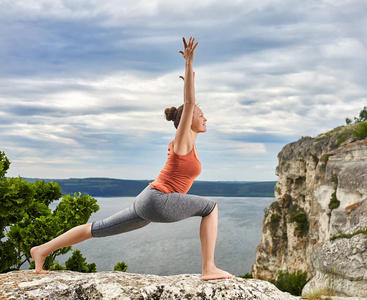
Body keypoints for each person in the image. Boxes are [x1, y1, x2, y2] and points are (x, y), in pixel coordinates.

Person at [31, 37, 234, 281]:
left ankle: (41, 250)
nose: (205, 119)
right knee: (210, 208)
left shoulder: (190, 143)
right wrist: (189, 66)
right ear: (188, 120)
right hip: (159, 200)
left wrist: (191, 79)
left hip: (147, 201)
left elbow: (189, 107)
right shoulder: (183, 142)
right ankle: (209, 268)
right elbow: (189, 103)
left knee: (96, 229)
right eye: (201, 115)